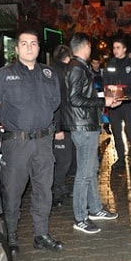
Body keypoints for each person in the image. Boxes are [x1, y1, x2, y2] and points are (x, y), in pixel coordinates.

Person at [0, 30, 63, 254]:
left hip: (43, 143)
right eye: (24, 44)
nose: (29, 47)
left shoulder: (49, 74)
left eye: (34, 43)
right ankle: (11, 236)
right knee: (12, 192)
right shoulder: (3, 75)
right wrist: (9, 121)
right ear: (17, 49)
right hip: (16, 144)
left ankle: (41, 234)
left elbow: (55, 103)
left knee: (43, 190)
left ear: (39, 48)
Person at [61, 33, 120, 234]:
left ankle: (95, 209)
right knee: (84, 175)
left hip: (88, 125)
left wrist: (104, 98)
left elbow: (82, 96)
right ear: (85, 46)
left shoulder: (78, 67)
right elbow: (75, 99)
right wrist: (103, 102)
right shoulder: (76, 68)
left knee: (92, 170)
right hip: (83, 127)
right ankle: (80, 217)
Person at [103, 39, 131, 171]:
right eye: (114, 47)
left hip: (128, 103)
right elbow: (106, 81)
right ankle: (120, 158)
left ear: (124, 49)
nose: (115, 50)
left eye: (118, 47)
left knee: (130, 130)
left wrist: (123, 91)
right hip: (114, 104)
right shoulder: (110, 64)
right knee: (116, 131)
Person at [51, 44, 74, 208]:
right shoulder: (58, 74)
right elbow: (56, 103)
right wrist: (57, 128)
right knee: (62, 161)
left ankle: (61, 186)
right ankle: (55, 191)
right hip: (60, 125)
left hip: (66, 122)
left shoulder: (59, 71)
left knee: (66, 159)